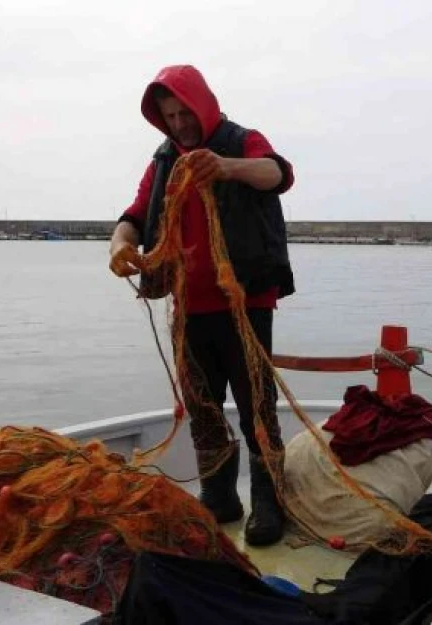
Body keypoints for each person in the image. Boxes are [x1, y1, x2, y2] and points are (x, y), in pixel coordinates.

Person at [108, 65, 295, 546]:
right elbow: (132, 215)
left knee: (258, 405)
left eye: (184, 112)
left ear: (203, 104)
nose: (179, 123)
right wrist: (118, 246)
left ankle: (271, 504)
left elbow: (277, 172)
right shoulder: (164, 161)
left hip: (245, 301)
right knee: (203, 406)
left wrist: (227, 166)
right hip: (189, 307)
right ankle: (220, 499)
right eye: (169, 116)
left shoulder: (242, 140)